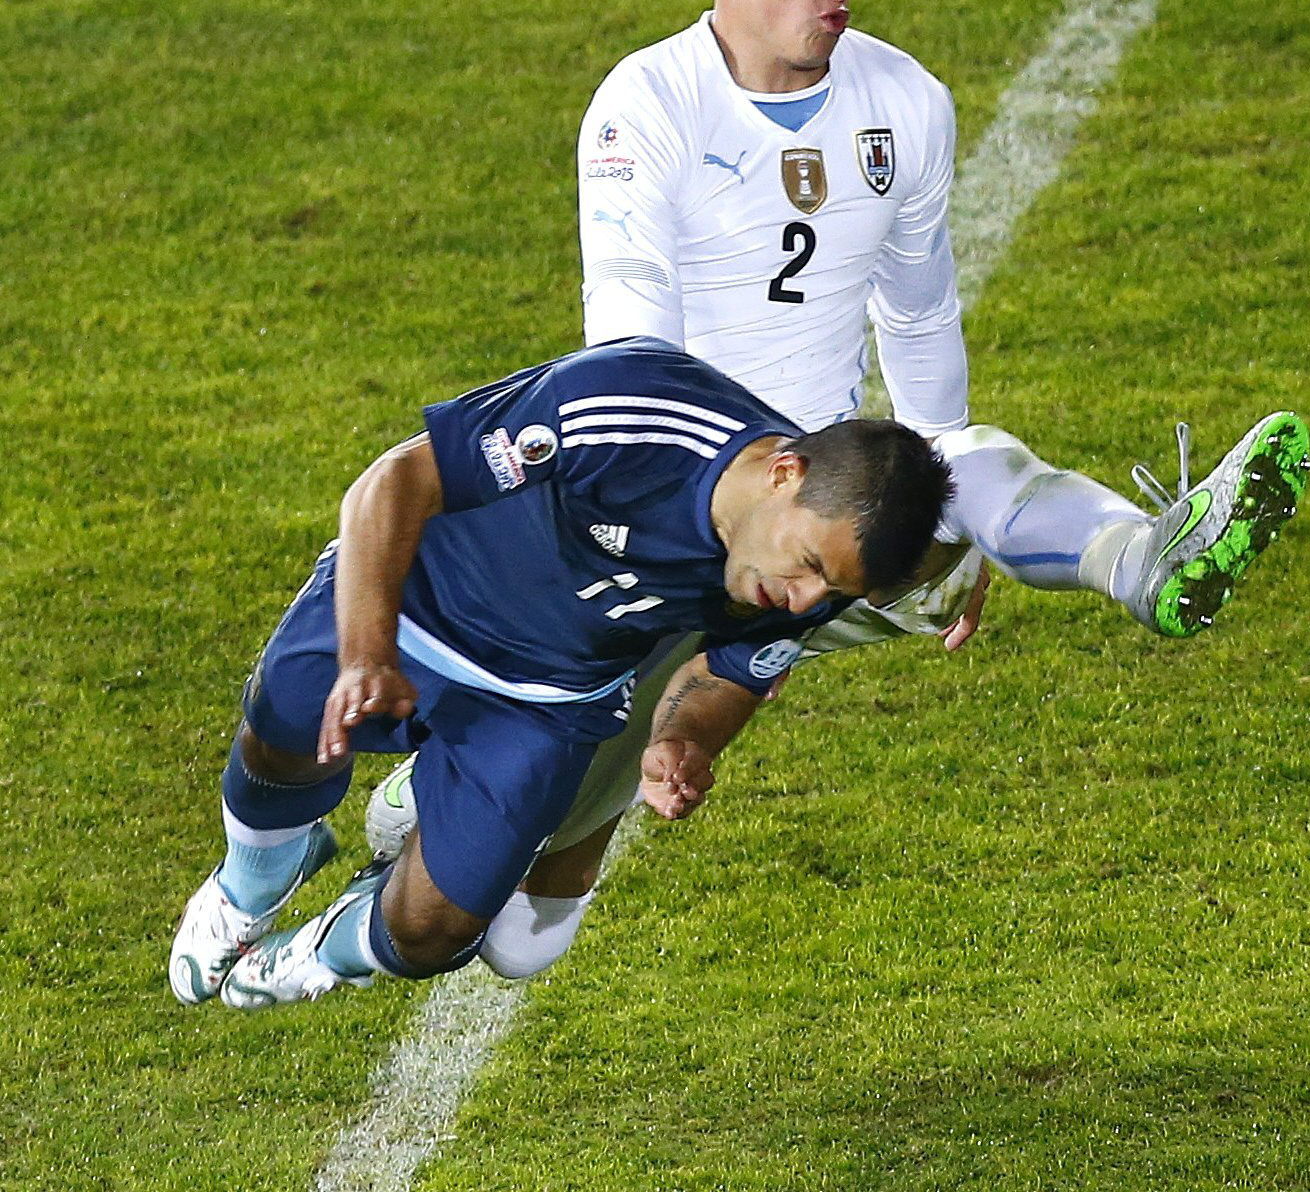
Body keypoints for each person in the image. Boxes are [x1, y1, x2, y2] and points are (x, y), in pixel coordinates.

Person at [363, 0, 1310, 984]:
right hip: (675, 525)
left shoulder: (904, 102)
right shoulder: (645, 106)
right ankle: (455, 787)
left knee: (966, 459)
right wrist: (698, 524)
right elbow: (628, 349)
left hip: (824, 506)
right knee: (520, 941)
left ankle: (1143, 558)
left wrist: (931, 523)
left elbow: (917, 314)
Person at [167, 337, 953, 1008]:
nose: (807, 597)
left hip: (549, 701)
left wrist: (684, 741)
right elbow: (398, 480)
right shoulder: (633, 408)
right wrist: (366, 651)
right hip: (420, 600)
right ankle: (254, 876)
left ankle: (309, 960)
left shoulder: (803, 581)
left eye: (832, 591)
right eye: (810, 565)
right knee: (283, 724)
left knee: (436, 932)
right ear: (784, 472)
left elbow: (736, 670)